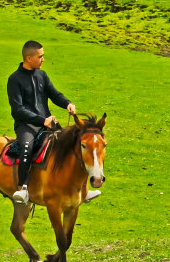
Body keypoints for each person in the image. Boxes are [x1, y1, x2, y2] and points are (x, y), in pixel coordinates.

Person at [7, 40, 100, 204]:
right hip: (26, 126)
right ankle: (22, 189)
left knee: (73, 145)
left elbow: (55, 94)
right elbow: (18, 110)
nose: (43, 59)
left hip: (48, 123)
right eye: (40, 56)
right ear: (28, 58)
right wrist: (42, 120)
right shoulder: (14, 80)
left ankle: (84, 191)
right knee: (27, 147)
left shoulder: (41, 75)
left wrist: (67, 103)